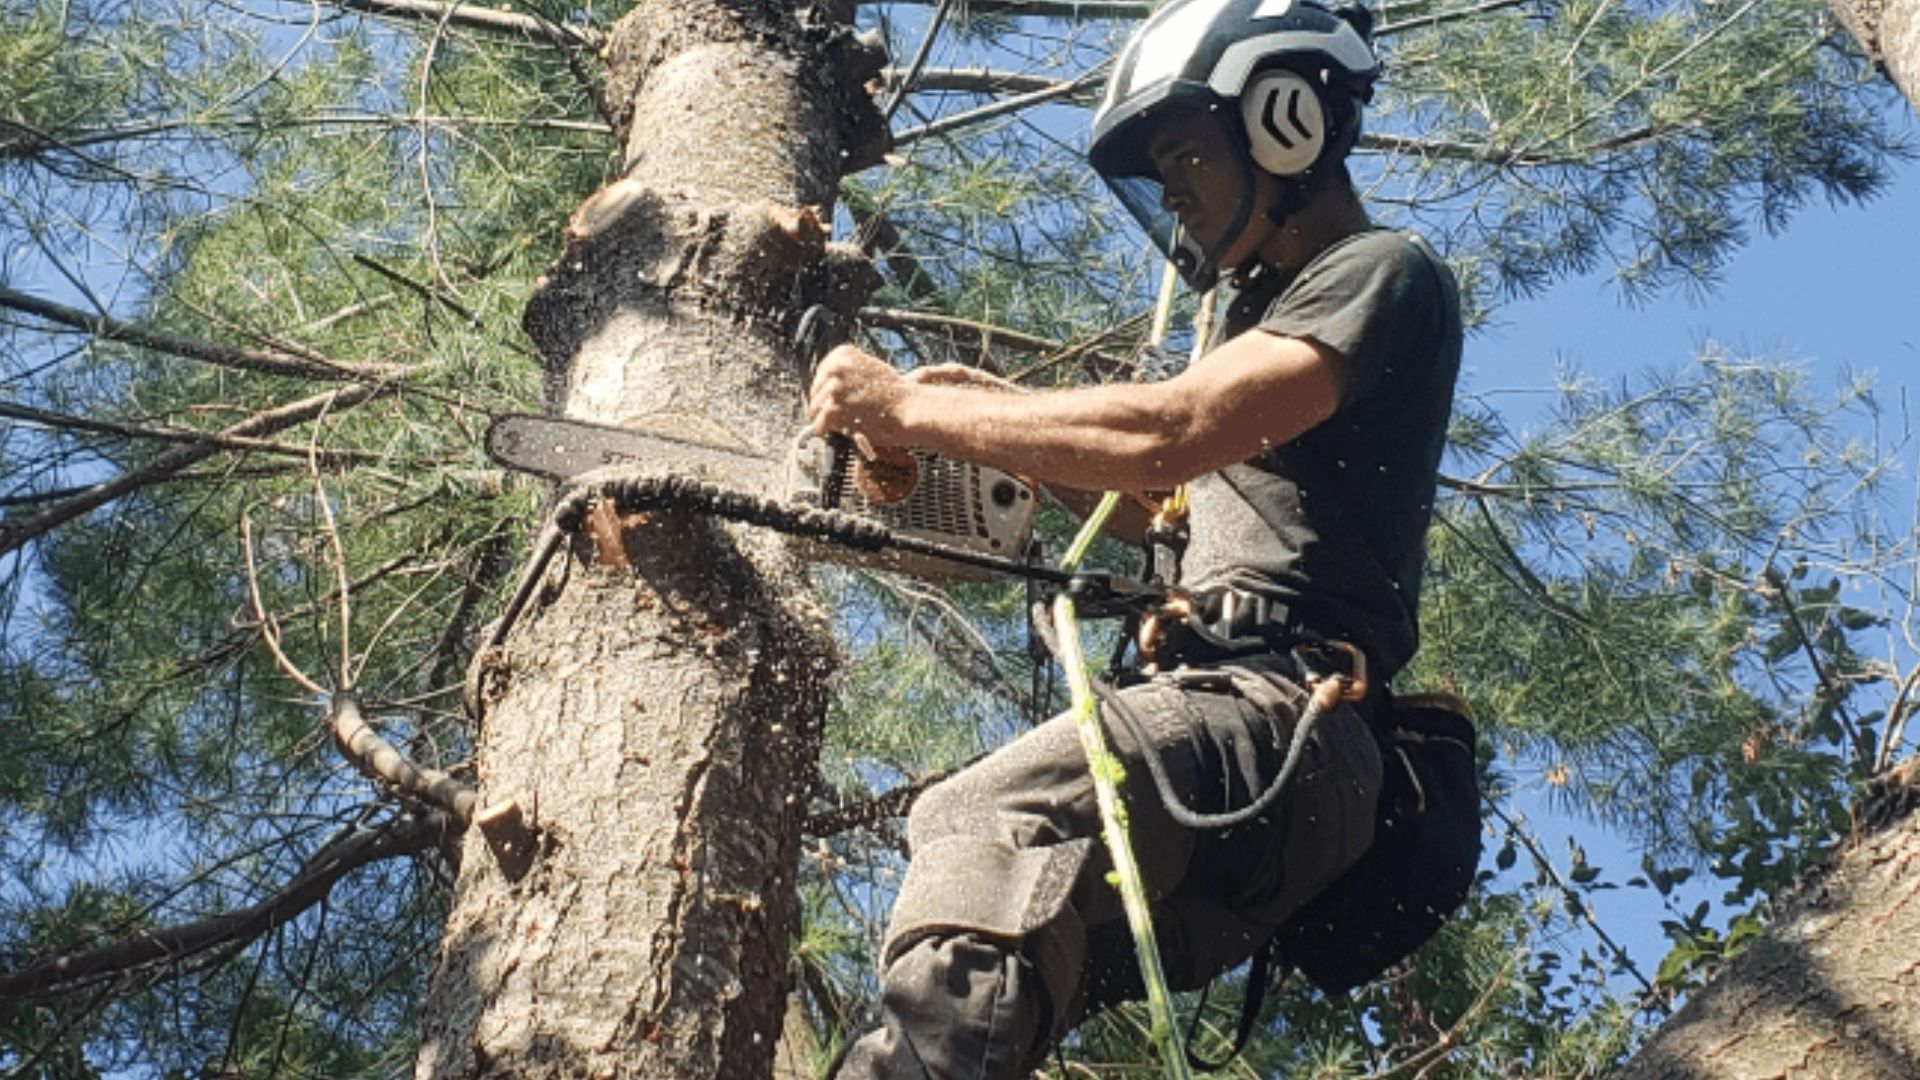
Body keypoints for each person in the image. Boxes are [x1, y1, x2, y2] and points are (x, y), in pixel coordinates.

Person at [806, 0, 1463, 1075]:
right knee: (1003, 948)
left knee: (983, 816)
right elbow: (1179, 511)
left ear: (1286, 119)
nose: (1176, 193)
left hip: (1278, 723)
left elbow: (1171, 434)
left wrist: (910, 410)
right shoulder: (1268, 331)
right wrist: (1018, 432)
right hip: (1246, 789)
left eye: (1187, 153)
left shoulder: (1375, 271)